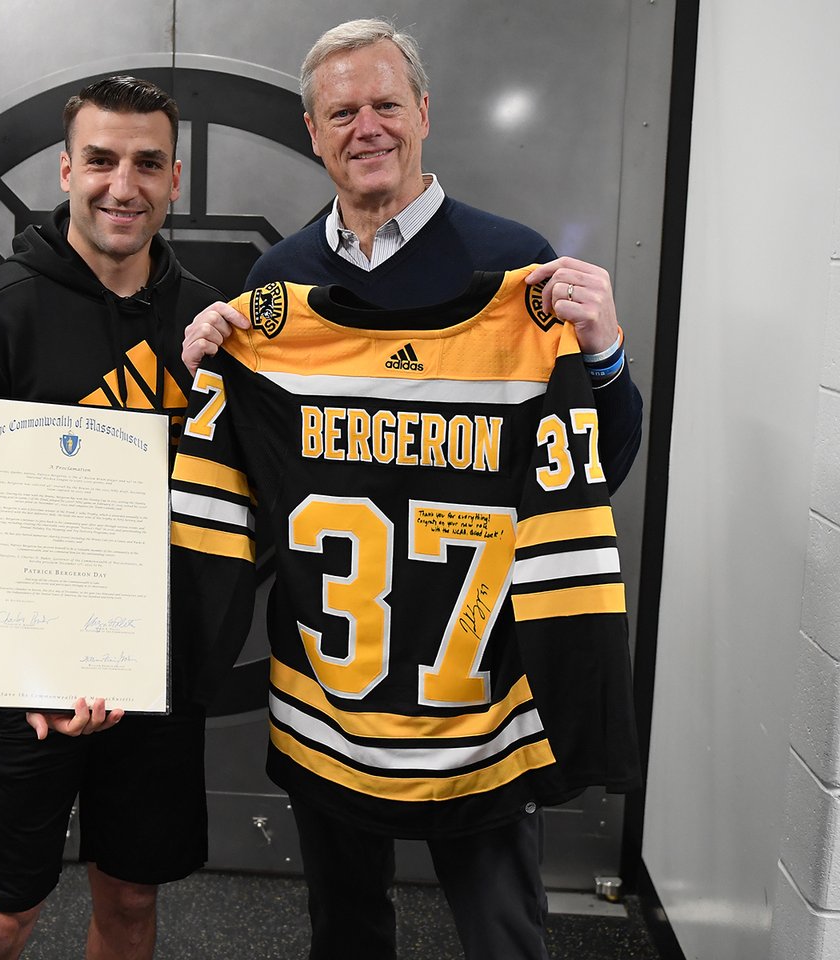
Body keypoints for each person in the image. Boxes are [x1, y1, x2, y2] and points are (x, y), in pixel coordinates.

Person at [177, 18, 644, 960]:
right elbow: (252, 494)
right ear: (314, 132)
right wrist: (211, 387)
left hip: (479, 701)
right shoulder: (277, 291)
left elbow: (602, 465)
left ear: (424, 113)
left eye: (386, 104)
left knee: (504, 938)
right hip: (330, 697)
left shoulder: (518, 272)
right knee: (346, 933)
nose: (367, 127)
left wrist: (602, 358)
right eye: (342, 112)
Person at [0, 76, 219, 960]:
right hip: (31, 683)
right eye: (100, 160)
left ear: (175, 179)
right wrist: (32, 668)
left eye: (147, 164)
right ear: (66, 170)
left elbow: (228, 501)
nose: (122, 186)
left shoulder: (209, 322)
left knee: (130, 901)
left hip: (154, 675)